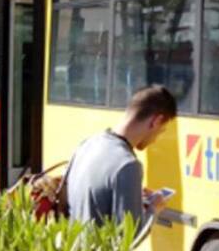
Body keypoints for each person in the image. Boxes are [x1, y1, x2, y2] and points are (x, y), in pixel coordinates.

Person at [65, 84, 177, 226]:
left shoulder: (87, 144)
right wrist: (154, 209)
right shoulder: (128, 165)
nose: (156, 139)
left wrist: (133, 196)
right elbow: (131, 234)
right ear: (156, 121)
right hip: (101, 242)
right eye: (161, 131)